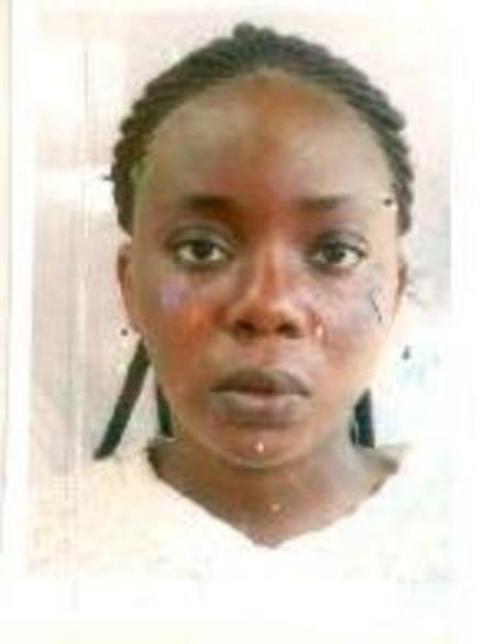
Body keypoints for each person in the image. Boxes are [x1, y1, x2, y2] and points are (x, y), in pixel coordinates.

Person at [29, 23, 450, 639]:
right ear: (129, 285)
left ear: (393, 290)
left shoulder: (464, 534)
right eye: (201, 249)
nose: (269, 306)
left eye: (334, 253)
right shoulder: (36, 552)